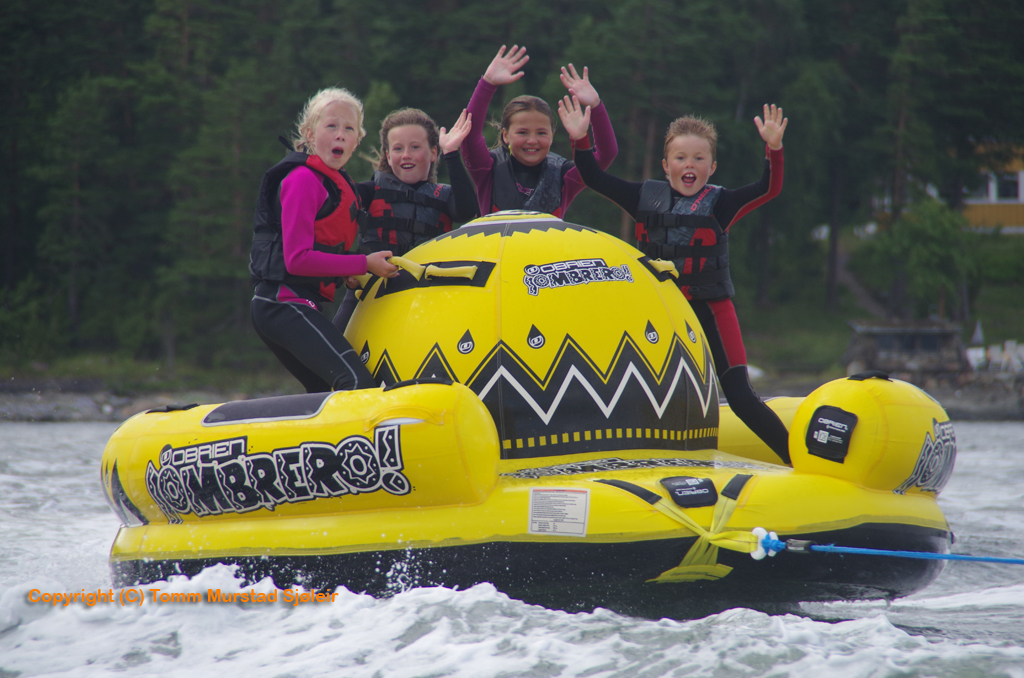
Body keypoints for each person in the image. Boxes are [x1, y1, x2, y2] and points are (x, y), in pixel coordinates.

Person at [560, 97, 793, 464]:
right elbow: (594, 177)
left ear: (711, 167)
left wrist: (773, 149)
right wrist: (580, 138)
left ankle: (799, 460)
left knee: (740, 396)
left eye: (699, 158)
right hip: (660, 311)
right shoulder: (643, 197)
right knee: (635, 390)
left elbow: (769, 188)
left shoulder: (721, 203)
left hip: (711, 307)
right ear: (666, 165)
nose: (689, 165)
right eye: (681, 157)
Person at [249, 87, 400, 393]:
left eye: (349, 129)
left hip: (292, 303)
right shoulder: (303, 180)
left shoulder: (336, 184)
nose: (340, 135)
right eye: (331, 126)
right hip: (282, 303)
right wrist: (363, 263)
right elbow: (297, 259)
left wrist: (346, 271)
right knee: (356, 383)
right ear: (309, 133)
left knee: (325, 392)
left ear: (357, 140)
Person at [331, 107, 479, 332]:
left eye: (415, 147)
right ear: (389, 157)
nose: (406, 155)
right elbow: (331, 217)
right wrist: (349, 264)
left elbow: (467, 211)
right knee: (333, 344)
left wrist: (451, 153)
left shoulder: (446, 197)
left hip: (428, 297)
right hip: (371, 293)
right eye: (398, 148)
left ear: (433, 153)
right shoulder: (369, 192)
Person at [460, 44, 618, 218]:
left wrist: (595, 106)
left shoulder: (564, 176)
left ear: (552, 136)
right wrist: (487, 84)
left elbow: (606, 154)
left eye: (541, 133)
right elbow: (469, 137)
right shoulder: (487, 168)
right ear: (505, 135)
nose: (532, 140)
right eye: (522, 132)